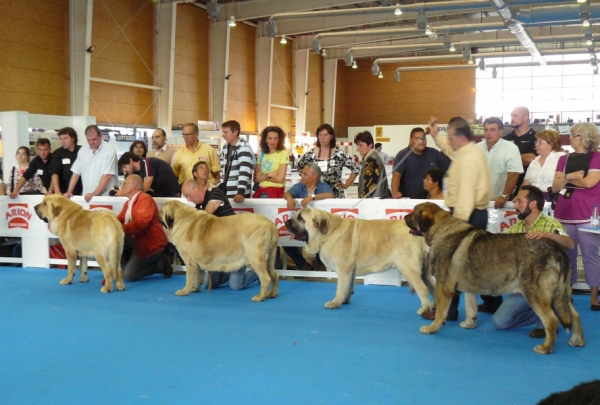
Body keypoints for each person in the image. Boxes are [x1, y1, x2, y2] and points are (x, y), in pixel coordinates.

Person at [423, 116, 493, 321]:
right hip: (471, 214)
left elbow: (466, 196)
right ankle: (492, 302)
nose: (449, 140)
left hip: (468, 215)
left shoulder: (469, 160)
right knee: (477, 264)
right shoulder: (467, 151)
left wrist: (455, 225)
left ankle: (448, 311)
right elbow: (450, 149)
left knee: (451, 264)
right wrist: (436, 136)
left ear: (461, 137)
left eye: (450, 136)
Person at [492, 185, 574, 338]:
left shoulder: (551, 224)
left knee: (543, 320)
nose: (515, 205)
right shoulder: (516, 228)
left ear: (532, 204)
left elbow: (570, 243)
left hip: (548, 283)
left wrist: (548, 235)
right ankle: (544, 312)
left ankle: (549, 312)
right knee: (500, 322)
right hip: (524, 285)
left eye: (519, 202)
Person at [181, 170, 259, 290]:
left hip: (235, 249)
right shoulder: (198, 207)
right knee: (209, 284)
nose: (188, 199)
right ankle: (228, 273)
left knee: (235, 286)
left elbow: (206, 214)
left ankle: (256, 273)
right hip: (219, 253)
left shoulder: (216, 193)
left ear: (196, 189)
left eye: (188, 195)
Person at [551, 122, 600, 311]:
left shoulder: (597, 157)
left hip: (588, 214)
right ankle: (566, 293)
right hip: (564, 213)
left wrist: (565, 179)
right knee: (566, 257)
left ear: (586, 137)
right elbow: (555, 187)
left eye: (575, 134)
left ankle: (594, 296)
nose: (570, 137)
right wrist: (571, 176)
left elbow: (589, 182)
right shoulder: (563, 158)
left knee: (590, 256)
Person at [116, 174, 172, 282]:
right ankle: (125, 267)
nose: (122, 186)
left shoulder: (145, 199)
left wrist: (116, 229)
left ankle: (161, 264)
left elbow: (139, 225)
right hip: (138, 243)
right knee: (115, 238)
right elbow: (118, 220)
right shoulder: (128, 203)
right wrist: (110, 226)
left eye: (124, 183)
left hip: (150, 246)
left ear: (133, 186)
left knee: (129, 276)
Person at [283, 163, 334, 270]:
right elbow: (287, 193)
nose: (302, 176)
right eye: (302, 173)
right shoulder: (300, 186)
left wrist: (312, 197)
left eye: (305, 174)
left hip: (316, 227)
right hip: (300, 226)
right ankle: (302, 264)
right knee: (285, 239)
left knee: (323, 236)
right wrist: (289, 199)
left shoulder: (322, 186)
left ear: (314, 176)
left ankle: (320, 263)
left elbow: (330, 195)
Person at [296, 124, 360, 198]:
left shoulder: (340, 154)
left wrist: (346, 185)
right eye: (320, 135)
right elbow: (299, 167)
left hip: (335, 194)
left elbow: (356, 168)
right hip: (315, 194)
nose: (322, 138)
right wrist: (306, 179)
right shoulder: (310, 154)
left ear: (331, 136)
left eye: (326, 135)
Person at [64, 125, 119, 202]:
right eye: (88, 140)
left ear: (101, 136)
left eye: (94, 139)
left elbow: (107, 175)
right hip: (87, 196)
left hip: (105, 197)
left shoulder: (110, 151)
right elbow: (76, 173)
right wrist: (69, 191)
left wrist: (95, 193)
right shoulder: (83, 150)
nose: (91, 142)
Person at [392, 127, 450, 199]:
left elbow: (449, 171)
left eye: (423, 138)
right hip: (408, 200)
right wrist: (395, 192)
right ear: (410, 140)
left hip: (432, 200)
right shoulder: (402, 155)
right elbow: (396, 176)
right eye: (418, 138)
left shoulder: (434, 153)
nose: (422, 141)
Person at [478, 117, 523, 209]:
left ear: (501, 131)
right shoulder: (475, 148)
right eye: (486, 130)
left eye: (492, 130)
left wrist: (504, 196)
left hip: (499, 202)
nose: (488, 133)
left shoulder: (511, 148)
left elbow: (513, 174)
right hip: (478, 201)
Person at [522, 130, 566, 199]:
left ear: (551, 145)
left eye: (540, 142)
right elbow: (526, 183)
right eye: (536, 142)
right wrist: (519, 197)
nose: (536, 144)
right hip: (534, 199)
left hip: (554, 198)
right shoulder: (534, 161)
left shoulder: (561, 158)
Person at [505, 106, 537, 196]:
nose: (512, 119)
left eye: (516, 116)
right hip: (509, 184)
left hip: (528, 184)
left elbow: (531, 159)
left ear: (525, 118)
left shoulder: (536, 137)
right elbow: (500, 161)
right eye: (511, 116)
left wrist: (509, 160)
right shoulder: (506, 139)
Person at [219, 120, 255, 202]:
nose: (223, 135)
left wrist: (240, 192)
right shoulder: (225, 147)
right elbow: (223, 170)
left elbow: (244, 170)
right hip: (226, 191)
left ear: (235, 132)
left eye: (225, 132)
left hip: (238, 194)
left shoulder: (244, 147)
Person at [253, 126, 288, 198]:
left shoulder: (283, 153)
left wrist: (262, 176)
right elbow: (256, 179)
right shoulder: (261, 154)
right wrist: (269, 174)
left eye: (275, 138)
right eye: (270, 138)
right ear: (266, 139)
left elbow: (280, 179)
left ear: (279, 140)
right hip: (260, 191)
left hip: (275, 191)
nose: (272, 141)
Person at [355, 130, 391, 198]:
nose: (358, 148)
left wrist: (361, 201)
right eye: (357, 145)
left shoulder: (371, 160)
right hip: (378, 198)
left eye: (361, 145)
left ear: (370, 145)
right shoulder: (373, 157)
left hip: (373, 201)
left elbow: (369, 186)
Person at [50, 127, 82, 196]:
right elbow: (55, 173)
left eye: (65, 138)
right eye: (61, 139)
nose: (62, 142)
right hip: (64, 192)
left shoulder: (82, 151)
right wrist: (57, 191)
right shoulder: (58, 153)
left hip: (82, 191)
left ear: (73, 138)